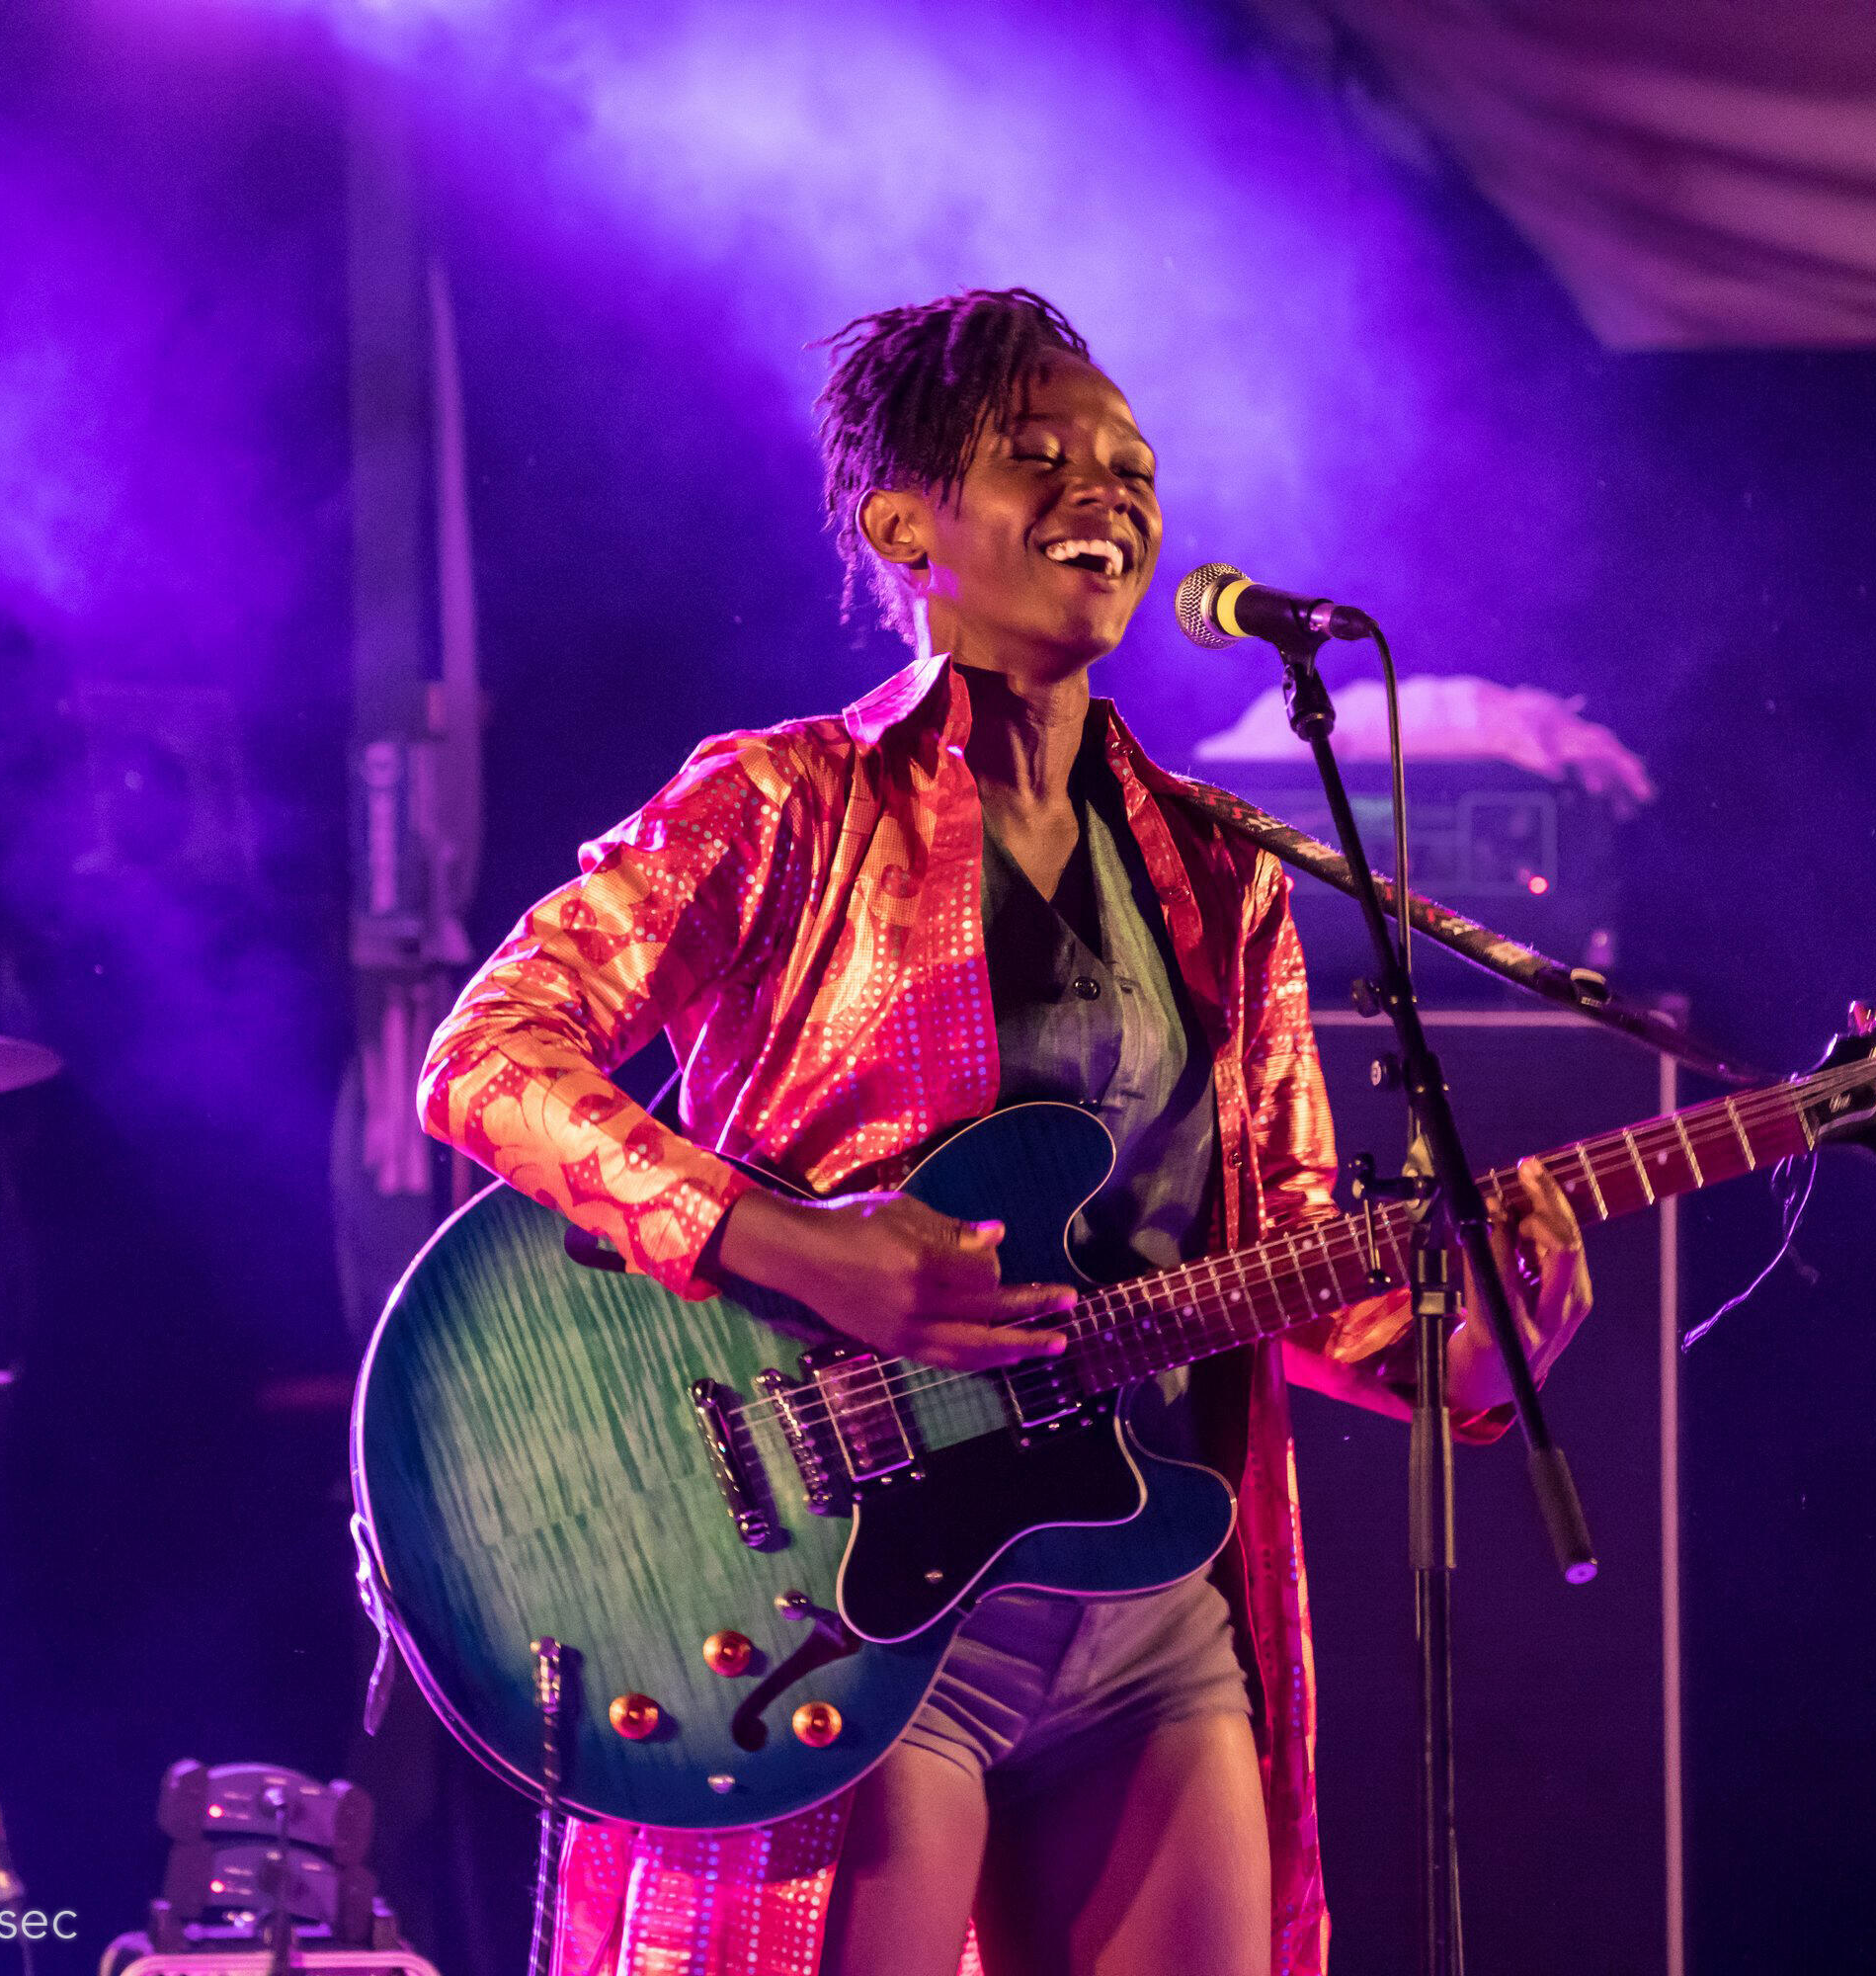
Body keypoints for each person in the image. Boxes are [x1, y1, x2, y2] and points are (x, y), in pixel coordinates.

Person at [419, 288, 1592, 1976]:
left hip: (1145, 1592)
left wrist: (1467, 1353)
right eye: (1038, 458)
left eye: (1132, 467)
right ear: (908, 529)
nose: (1103, 492)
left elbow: (1281, 1254)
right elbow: (486, 1059)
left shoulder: (1223, 866)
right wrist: (793, 1245)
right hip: (846, 1590)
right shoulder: (780, 804)